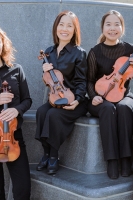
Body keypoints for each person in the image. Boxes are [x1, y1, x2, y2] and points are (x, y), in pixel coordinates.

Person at [87, 10, 133, 179]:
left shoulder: (130, 48)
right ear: (103, 28)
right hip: (101, 97)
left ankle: (126, 159)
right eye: (108, 24)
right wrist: (93, 96)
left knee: (124, 108)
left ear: (122, 27)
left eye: (117, 24)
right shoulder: (95, 51)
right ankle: (112, 160)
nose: (112, 28)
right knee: (108, 108)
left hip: (124, 94)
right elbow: (88, 80)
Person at [0, 24, 32, 200]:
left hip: (13, 135)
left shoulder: (16, 69)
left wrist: (17, 110)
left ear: (3, 44)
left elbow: (27, 100)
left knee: (23, 187)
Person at [35, 11, 88, 175]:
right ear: (56, 27)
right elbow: (49, 80)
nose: (64, 28)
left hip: (75, 100)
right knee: (42, 112)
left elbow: (81, 81)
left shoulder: (79, 52)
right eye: (61, 24)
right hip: (56, 97)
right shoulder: (49, 52)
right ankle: (45, 152)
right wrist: (44, 70)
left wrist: (77, 100)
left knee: (53, 115)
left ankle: (53, 155)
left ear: (74, 30)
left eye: (69, 25)